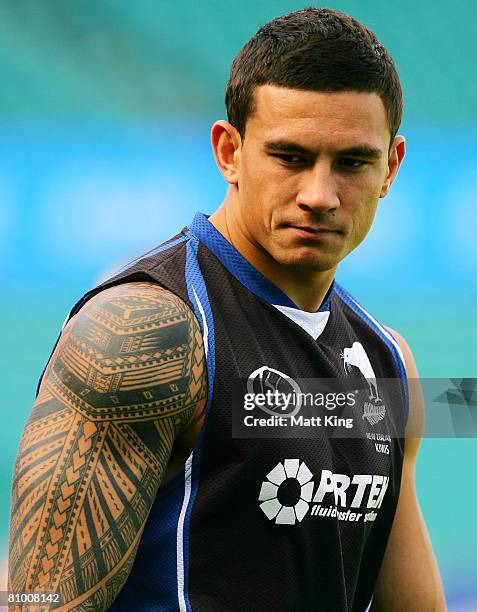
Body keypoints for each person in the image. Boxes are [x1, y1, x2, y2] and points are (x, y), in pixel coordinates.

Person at [8, 7, 446, 611]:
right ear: (229, 151)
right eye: (290, 157)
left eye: (351, 162)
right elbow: (38, 601)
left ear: (391, 166)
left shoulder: (388, 363)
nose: (319, 196)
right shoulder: (146, 334)